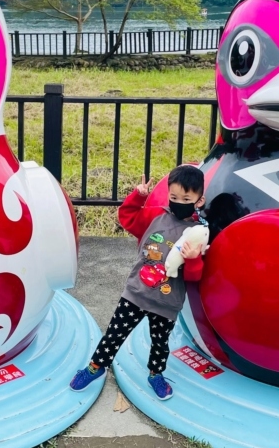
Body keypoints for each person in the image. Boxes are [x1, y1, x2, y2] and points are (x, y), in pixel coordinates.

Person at [69, 166, 208, 400]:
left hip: (167, 302)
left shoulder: (197, 234)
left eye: (186, 199)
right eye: (173, 197)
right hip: (136, 292)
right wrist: (138, 196)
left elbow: (194, 277)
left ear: (199, 200)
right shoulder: (155, 217)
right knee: (114, 334)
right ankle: (95, 367)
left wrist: (194, 259)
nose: (178, 202)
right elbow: (127, 217)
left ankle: (156, 374)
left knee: (160, 344)